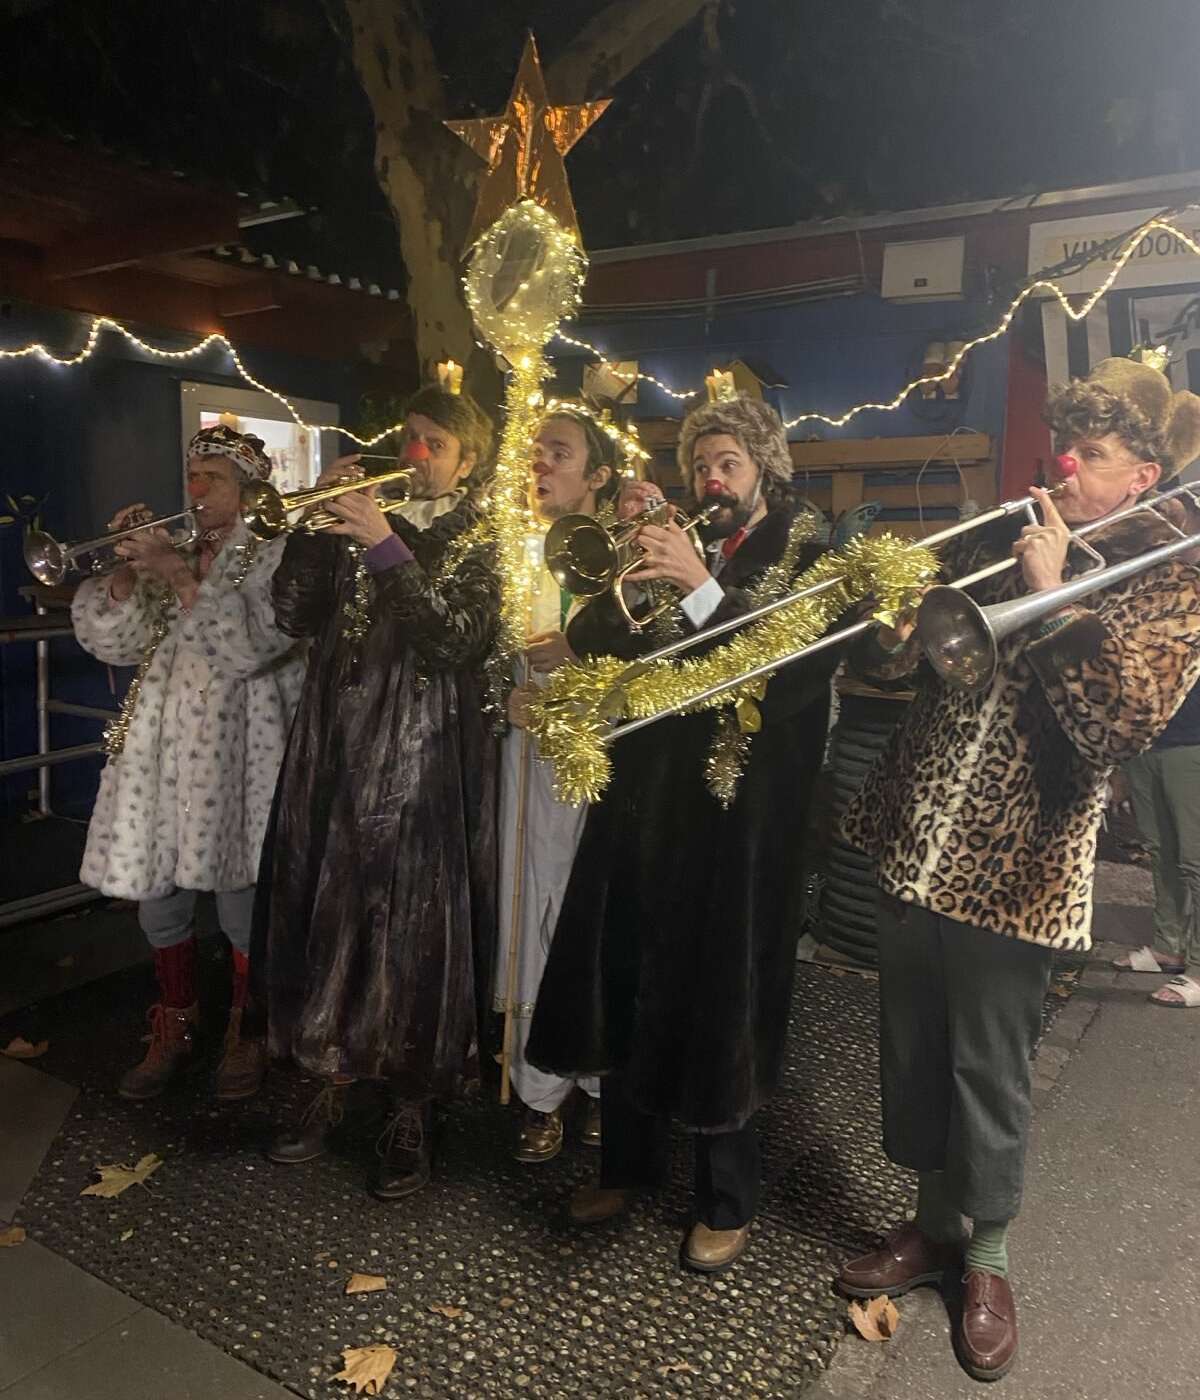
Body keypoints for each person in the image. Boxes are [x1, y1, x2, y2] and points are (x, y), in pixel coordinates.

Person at [835, 356, 1200, 1382]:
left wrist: (1050, 597)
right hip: (919, 836)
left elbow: (1117, 722)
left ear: (1143, 473)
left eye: (1096, 452)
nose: (1069, 461)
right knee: (911, 1044)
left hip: (1018, 865)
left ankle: (985, 1252)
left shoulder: (1172, 574)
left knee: (987, 1069)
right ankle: (924, 1223)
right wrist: (894, 622)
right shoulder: (1014, 530)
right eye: (1067, 443)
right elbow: (914, 667)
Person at [527, 393, 837, 1273]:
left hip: (742, 815)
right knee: (625, 970)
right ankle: (626, 1164)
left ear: (765, 469)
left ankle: (727, 1195)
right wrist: (629, 564)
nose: (711, 479)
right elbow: (592, 640)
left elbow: (792, 670)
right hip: (645, 801)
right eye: (701, 463)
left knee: (723, 993)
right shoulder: (674, 541)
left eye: (728, 463)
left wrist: (700, 585)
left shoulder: (812, 547)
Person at [249, 385, 499, 1202]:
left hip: (420, 758)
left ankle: (411, 1104)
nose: (416, 453)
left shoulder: (478, 537)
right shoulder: (353, 524)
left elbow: (455, 639)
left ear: (468, 460)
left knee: (413, 931)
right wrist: (316, 528)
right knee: (327, 908)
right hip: (332, 749)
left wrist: (388, 544)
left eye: (435, 444)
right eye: (411, 436)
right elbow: (292, 616)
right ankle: (326, 1069)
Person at [71, 426, 305, 1101]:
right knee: (157, 902)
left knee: (241, 908)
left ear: (249, 491)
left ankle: (250, 1028)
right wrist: (124, 574)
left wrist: (177, 574)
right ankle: (176, 1019)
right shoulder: (184, 546)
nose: (196, 492)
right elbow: (113, 644)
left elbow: (248, 648)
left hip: (240, 757)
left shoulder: (276, 554)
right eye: (192, 477)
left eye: (213, 479)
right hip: (159, 754)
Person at [498, 407, 628, 1162]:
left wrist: (582, 669)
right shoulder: (512, 551)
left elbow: (651, 666)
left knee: (595, 918)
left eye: (560, 451)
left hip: (602, 759)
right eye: (535, 450)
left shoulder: (627, 559)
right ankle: (540, 1091)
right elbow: (487, 655)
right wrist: (502, 696)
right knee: (527, 915)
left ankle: (604, 1083)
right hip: (525, 759)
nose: (541, 463)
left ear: (598, 474)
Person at [1116, 669, 1200, 1004]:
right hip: (1145, 743)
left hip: (1194, 744)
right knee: (1159, 849)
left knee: (1195, 859)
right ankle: (1169, 946)